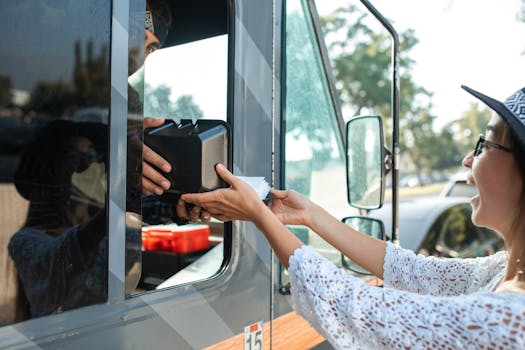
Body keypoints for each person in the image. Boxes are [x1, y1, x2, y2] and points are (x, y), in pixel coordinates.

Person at [181, 85, 525, 349]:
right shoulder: (498, 270)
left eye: (486, 144)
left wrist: (259, 214)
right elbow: (410, 271)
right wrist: (311, 215)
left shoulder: (511, 321)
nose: (468, 158)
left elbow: (358, 307)